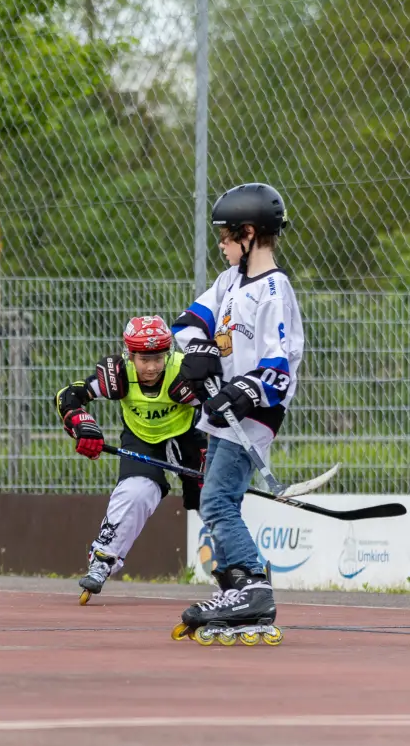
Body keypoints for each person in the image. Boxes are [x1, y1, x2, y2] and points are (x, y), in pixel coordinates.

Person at [171, 183, 303, 645]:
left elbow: (279, 365)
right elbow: (186, 324)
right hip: (222, 412)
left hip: (252, 416)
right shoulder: (228, 283)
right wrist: (201, 352)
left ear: (248, 234)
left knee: (218, 501)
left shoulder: (274, 289)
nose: (222, 247)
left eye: (225, 238)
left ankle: (253, 587)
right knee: (216, 499)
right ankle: (234, 587)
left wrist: (244, 391)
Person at [56, 316, 204, 603]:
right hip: (142, 441)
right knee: (135, 493)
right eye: (144, 359)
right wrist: (81, 423)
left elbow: (219, 404)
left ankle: (241, 571)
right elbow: (68, 395)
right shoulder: (117, 374)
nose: (151, 367)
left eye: (158, 358)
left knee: (211, 500)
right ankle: (102, 560)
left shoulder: (184, 371)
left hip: (187, 437)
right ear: (130, 354)